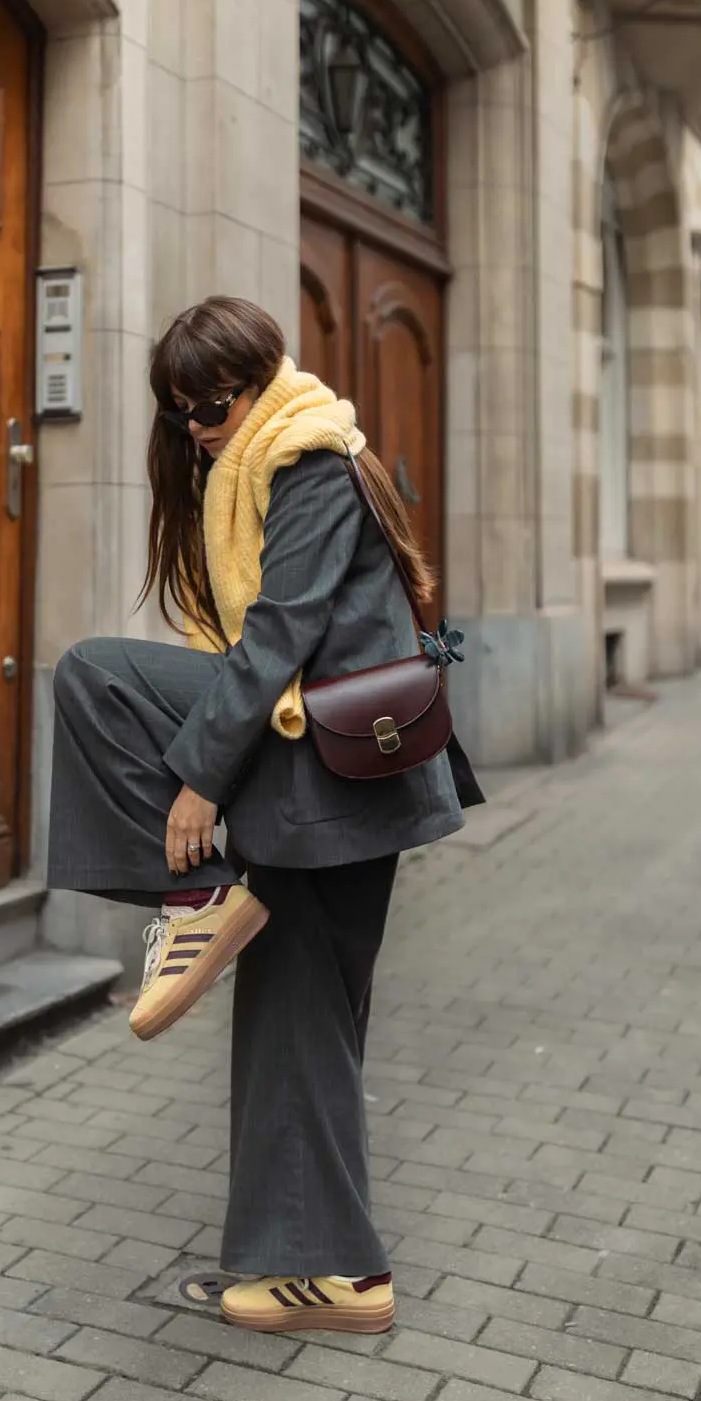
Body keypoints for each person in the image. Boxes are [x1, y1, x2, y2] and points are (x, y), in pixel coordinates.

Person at [48, 296, 469, 1334]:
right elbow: (254, 642)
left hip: (335, 786)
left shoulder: (310, 462)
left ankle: (340, 1274)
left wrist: (197, 782)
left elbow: (278, 634)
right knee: (299, 1018)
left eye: (213, 406)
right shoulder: (264, 458)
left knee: (96, 678)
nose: (197, 429)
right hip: (318, 781)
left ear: (263, 380)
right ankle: (318, 1265)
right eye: (182, 413)